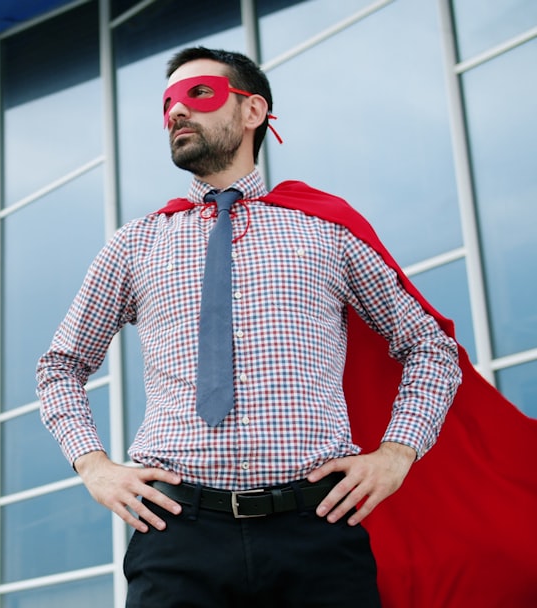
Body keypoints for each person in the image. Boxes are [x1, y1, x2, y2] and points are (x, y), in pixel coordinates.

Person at [36, 46, 465, 607]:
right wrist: (94, 467)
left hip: (315, 530)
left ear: (253, 111)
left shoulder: (325, 230)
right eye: (168, 103)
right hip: (177, 536)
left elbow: (429, 345)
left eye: (199, 95)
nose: (175, 113)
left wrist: (396, 453)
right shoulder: (135, 244)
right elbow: (60, 367)